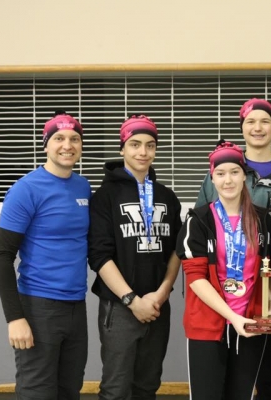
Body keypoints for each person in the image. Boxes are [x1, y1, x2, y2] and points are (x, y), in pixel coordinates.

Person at [195, 98, 271, 400]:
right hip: (226, 289)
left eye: (265, 121)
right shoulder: (223, 167)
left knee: (268, 371)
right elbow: (202, 226)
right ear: (242, 127)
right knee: (223, 376)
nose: (258, 128)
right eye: (250, 122)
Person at [0, 111, 91, 399]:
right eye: (58, 138)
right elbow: (1, 256)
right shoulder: (25, 190)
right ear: (46, 144)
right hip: (38, 307)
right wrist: (15, 318)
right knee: (38, 392)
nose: (67, 145)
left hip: (76, 306)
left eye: (74, 139)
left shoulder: (83, 187)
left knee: (69, 389)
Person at [88, 114, 182, 399]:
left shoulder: (167, 196)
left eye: (150, 145)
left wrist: (162, 294)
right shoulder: (104, 196)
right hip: (120, 308)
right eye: (135, 144)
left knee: (147, 386)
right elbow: (99, 256)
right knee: (116, 389)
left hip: (157, 306)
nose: (143, 152)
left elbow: (177, 251)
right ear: (122, 149)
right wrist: (131, 300)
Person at [176, 140, 271, 400]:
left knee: (241, 395)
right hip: (208, 325)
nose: (227, 180)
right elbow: (196, 278)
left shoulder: (264, 220)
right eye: (220, 174)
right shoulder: (197, 220)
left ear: (245, 176)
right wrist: (232, 316)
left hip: (251, 324)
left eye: (234, 172)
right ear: (212, 178)